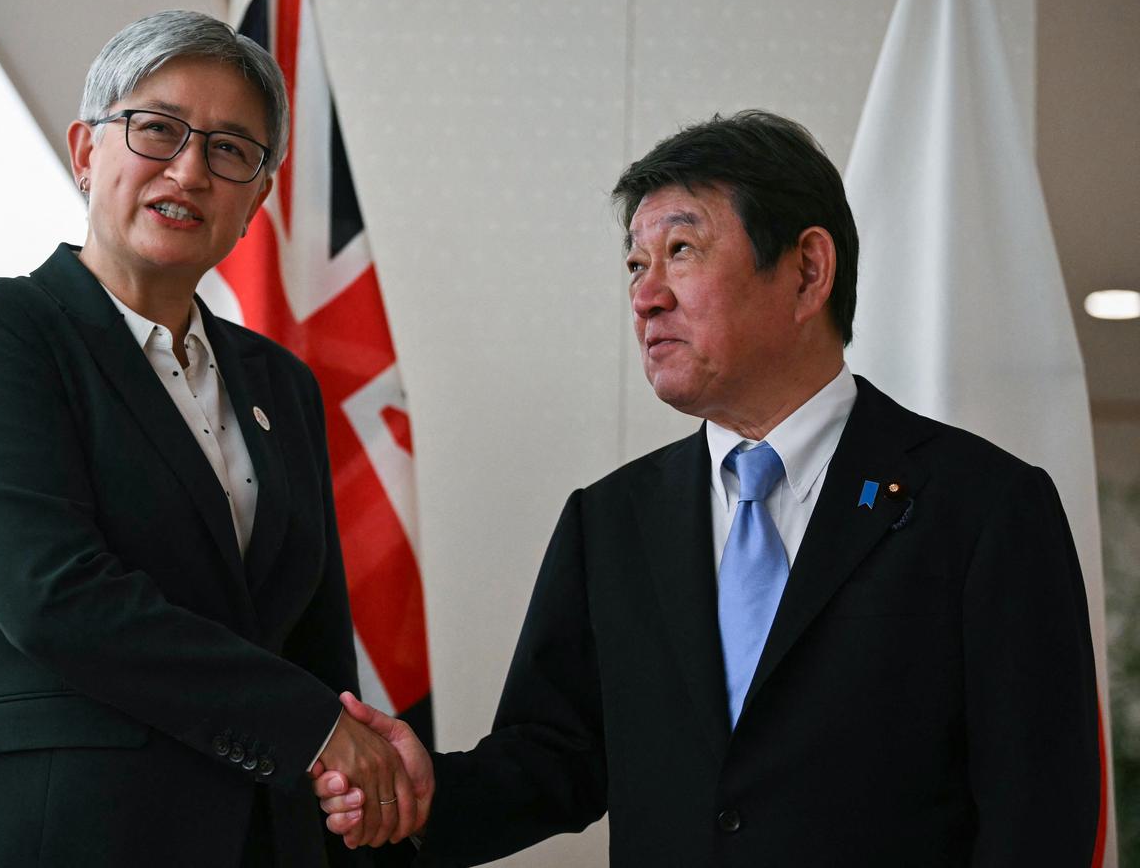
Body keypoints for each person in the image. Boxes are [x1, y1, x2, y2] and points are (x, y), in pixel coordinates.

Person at [313, 111, 1102, 866]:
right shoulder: (612, 520)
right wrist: (432, 793)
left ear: (807, 270)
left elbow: (1039, 812)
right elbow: (558, 758)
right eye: (634, 263)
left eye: (682, 249)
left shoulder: (983, 507)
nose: (645, 294)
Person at [0, 10, 421, 867]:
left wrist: (355, 773)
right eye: (157, 129)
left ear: (257, 200)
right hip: (49, 837)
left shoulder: (282, 384)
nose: (189, 168)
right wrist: (311, 727)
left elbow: (313, 644)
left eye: (229, 149)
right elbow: (55, 594)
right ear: (85, 150)